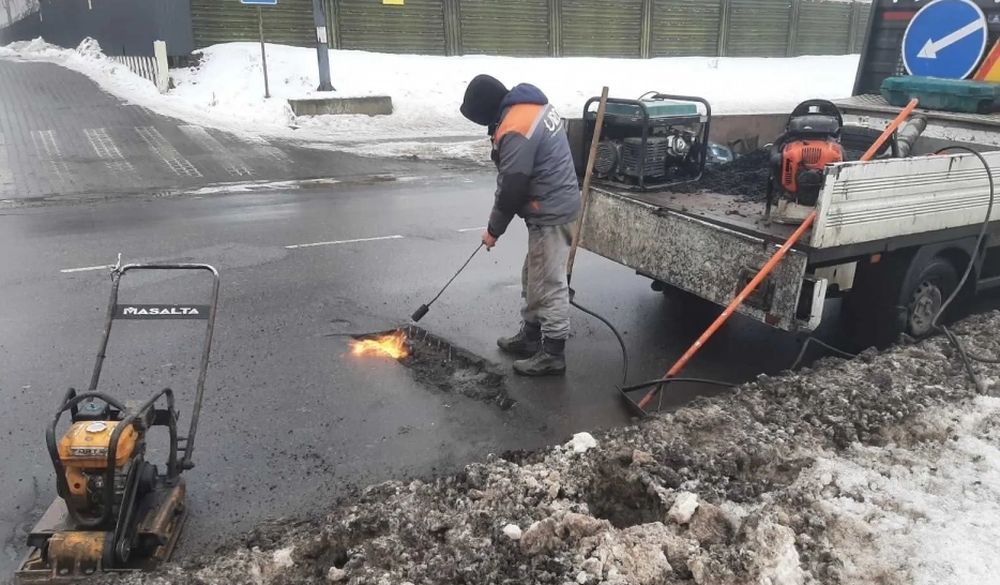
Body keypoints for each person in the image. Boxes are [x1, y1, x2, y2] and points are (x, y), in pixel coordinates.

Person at [459, 74, 581, 376]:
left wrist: (493, 230)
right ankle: (530, 336)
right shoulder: (529, 106)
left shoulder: (516, 126)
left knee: (548, 284)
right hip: (555, 202)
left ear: (487, 109)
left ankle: (553, 353)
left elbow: (511, 188)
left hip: (550, 210)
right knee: (533, 275)